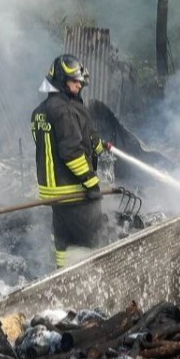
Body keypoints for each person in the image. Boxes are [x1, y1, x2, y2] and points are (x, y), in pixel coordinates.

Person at [31, 54, 108, 268]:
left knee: (63, 241)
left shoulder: (40, 112)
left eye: (80, 83)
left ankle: (61, 278)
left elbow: (50, 145)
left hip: (52, 193)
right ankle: (94, 278)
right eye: (75, 82)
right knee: (92, 239)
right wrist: (91, 182)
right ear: (60, 81)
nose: (79, 86)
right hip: (73, 190)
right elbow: (71, 152)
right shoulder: (65, 110)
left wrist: (99, 146)